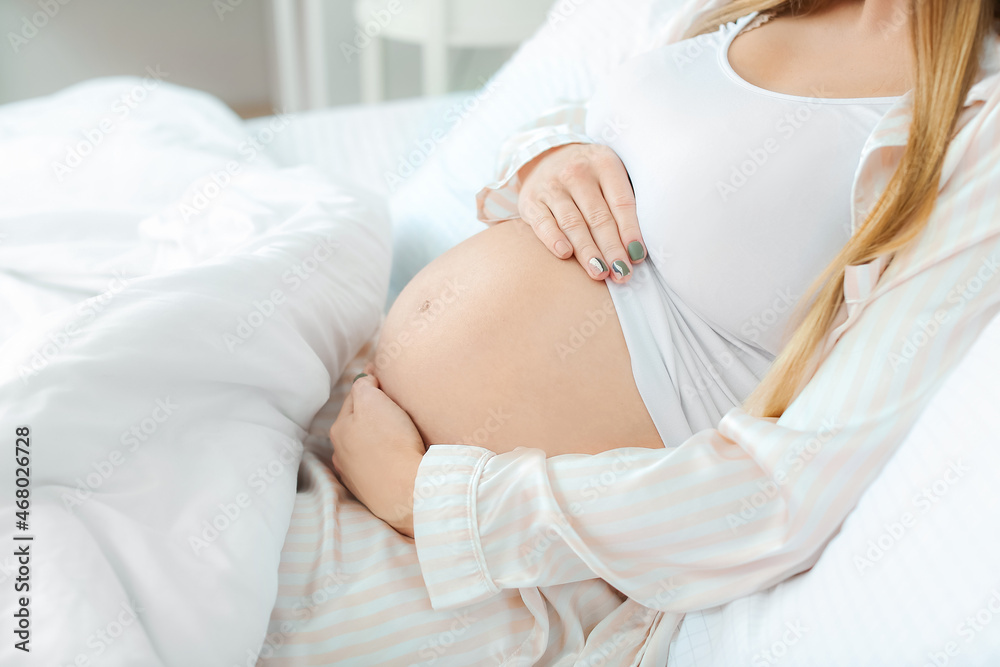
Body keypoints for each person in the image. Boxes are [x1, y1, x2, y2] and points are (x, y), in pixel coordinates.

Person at [270, 1, 1000, 664]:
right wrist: (547, 158)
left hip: (508, 568)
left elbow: (788, 490)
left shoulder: (979, 126)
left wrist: (434, 500)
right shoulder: (750, 9)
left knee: (176, 570)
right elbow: (603, 126)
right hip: (349, 403)